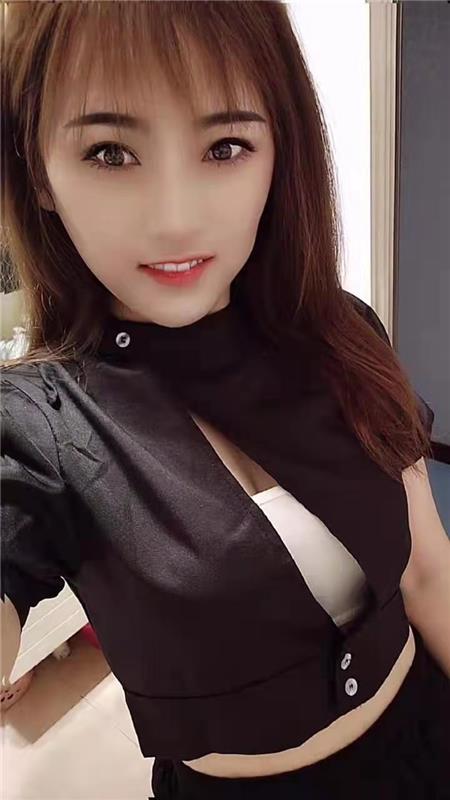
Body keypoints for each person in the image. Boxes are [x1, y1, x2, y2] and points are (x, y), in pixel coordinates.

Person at [1, 3, 449, 799]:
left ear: (279, 153)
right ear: (38, 173)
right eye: (110, 152)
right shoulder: (39, 425)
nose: (176, 219)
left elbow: (427, 573)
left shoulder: (343, 331)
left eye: (225, 146)